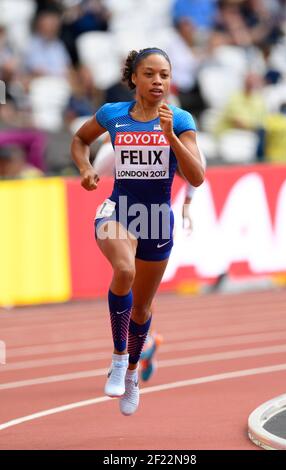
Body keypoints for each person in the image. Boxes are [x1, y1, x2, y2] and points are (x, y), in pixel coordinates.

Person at [71, 47, 205, 416]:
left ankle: (132, 372)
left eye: (164, 74)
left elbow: (197, 176)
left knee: (143, 308)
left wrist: (171, 138)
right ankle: (117, 359)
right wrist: (84, 169)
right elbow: (81, 140)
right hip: (119, 209)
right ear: (134, 78)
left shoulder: (180, 120)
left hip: (157, 217)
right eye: (149, 74)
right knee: (124, 270)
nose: (158, 81)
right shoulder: (113, 115)